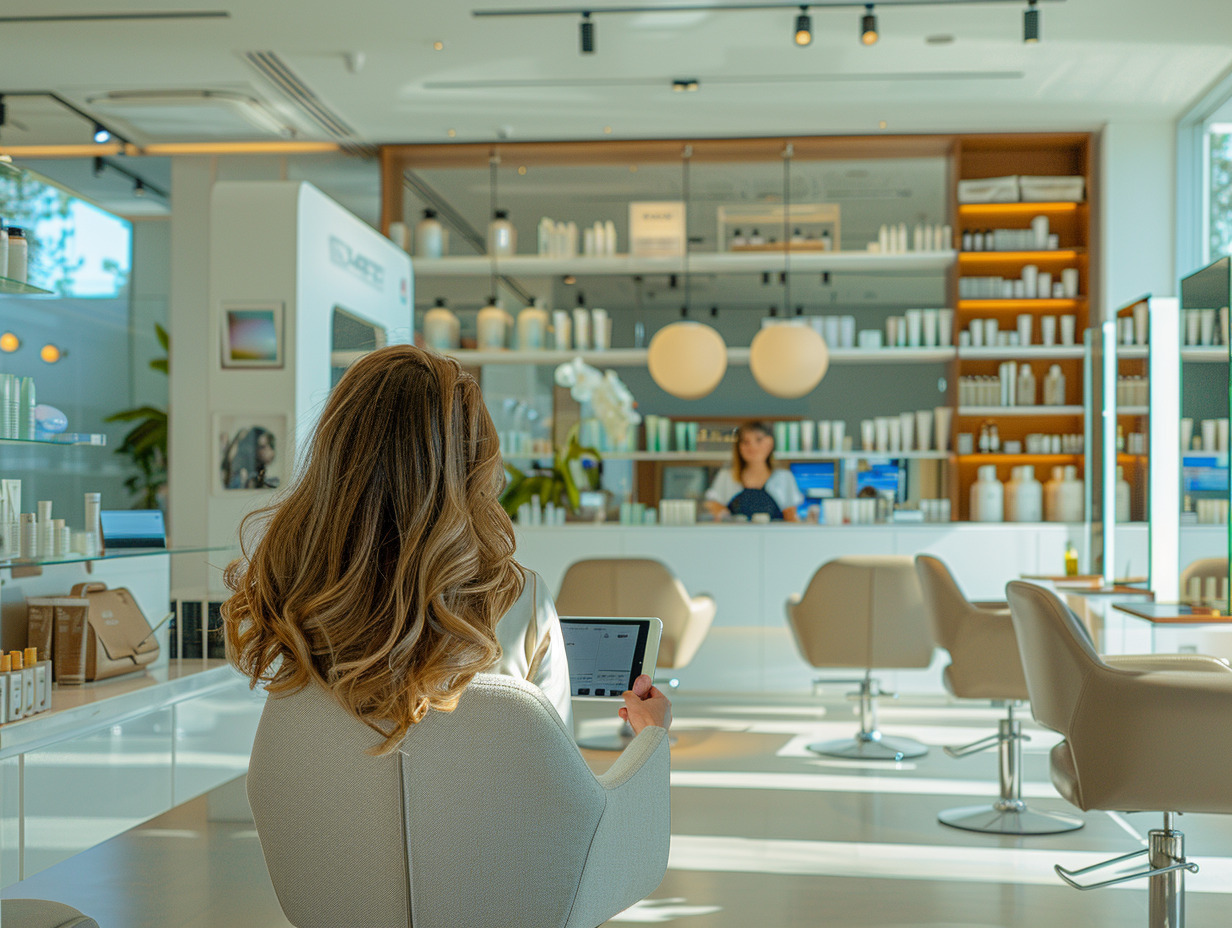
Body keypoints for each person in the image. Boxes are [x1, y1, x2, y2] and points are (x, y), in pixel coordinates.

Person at [222, 344, 670, 753]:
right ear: (471, 467)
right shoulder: (518, 599)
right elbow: (560, 801)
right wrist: (651, 736)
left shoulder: (289, 597)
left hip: (320, 842)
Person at [703, 420, 804, 522]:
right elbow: (713, 505)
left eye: (758, 440)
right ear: (739, 447)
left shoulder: (784, 478)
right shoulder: (726, 477)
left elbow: (791, 517)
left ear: (770, 443)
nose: (752, 446)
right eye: (745, 442)